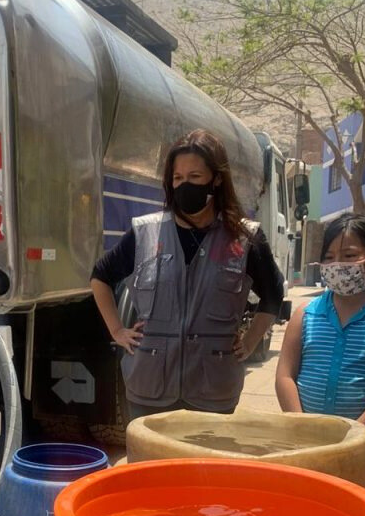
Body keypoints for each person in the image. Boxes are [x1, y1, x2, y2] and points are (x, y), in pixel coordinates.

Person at [91, 129, 284, 418]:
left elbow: (273, 293)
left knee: (204, 464)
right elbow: (100, 277)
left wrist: (250, 341)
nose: (184, 185)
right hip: (150, 386)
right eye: (177, 178)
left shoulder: (244, 238)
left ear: (216, 179)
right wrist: (117, 331)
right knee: (152, 464)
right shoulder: (146, 232)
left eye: (194, 177)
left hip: (213, 388)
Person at [275, 213, 365, 496]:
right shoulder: (304, 315)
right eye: (329, 257)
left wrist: (352, 436)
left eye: (349, 255)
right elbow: (285, 375)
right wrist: (301, 425)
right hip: (305, 442)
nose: (337, 264)